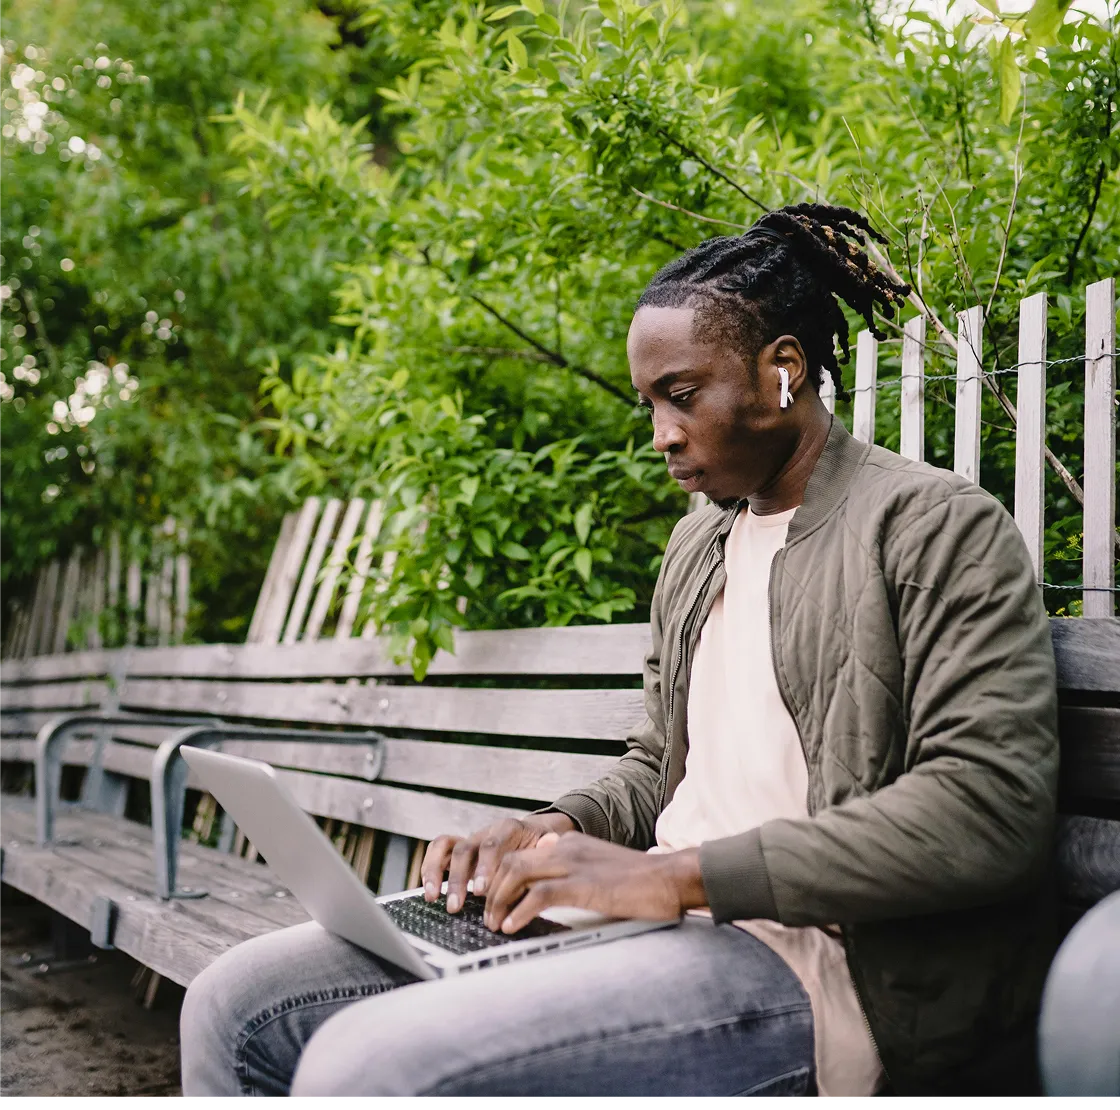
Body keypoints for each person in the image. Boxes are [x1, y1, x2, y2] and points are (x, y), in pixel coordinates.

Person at [180, 203, 1058, 1102]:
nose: (661, 434)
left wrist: (673, 878)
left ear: (783, 371)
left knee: (369, 1065)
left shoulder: (934, 528)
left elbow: (989, 809)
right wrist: (556, 830)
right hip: (649, 922)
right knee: (235, 1003)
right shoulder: (699, 544)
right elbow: (660, 768)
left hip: (816, 961)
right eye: (651, 404)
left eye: (682, 396)